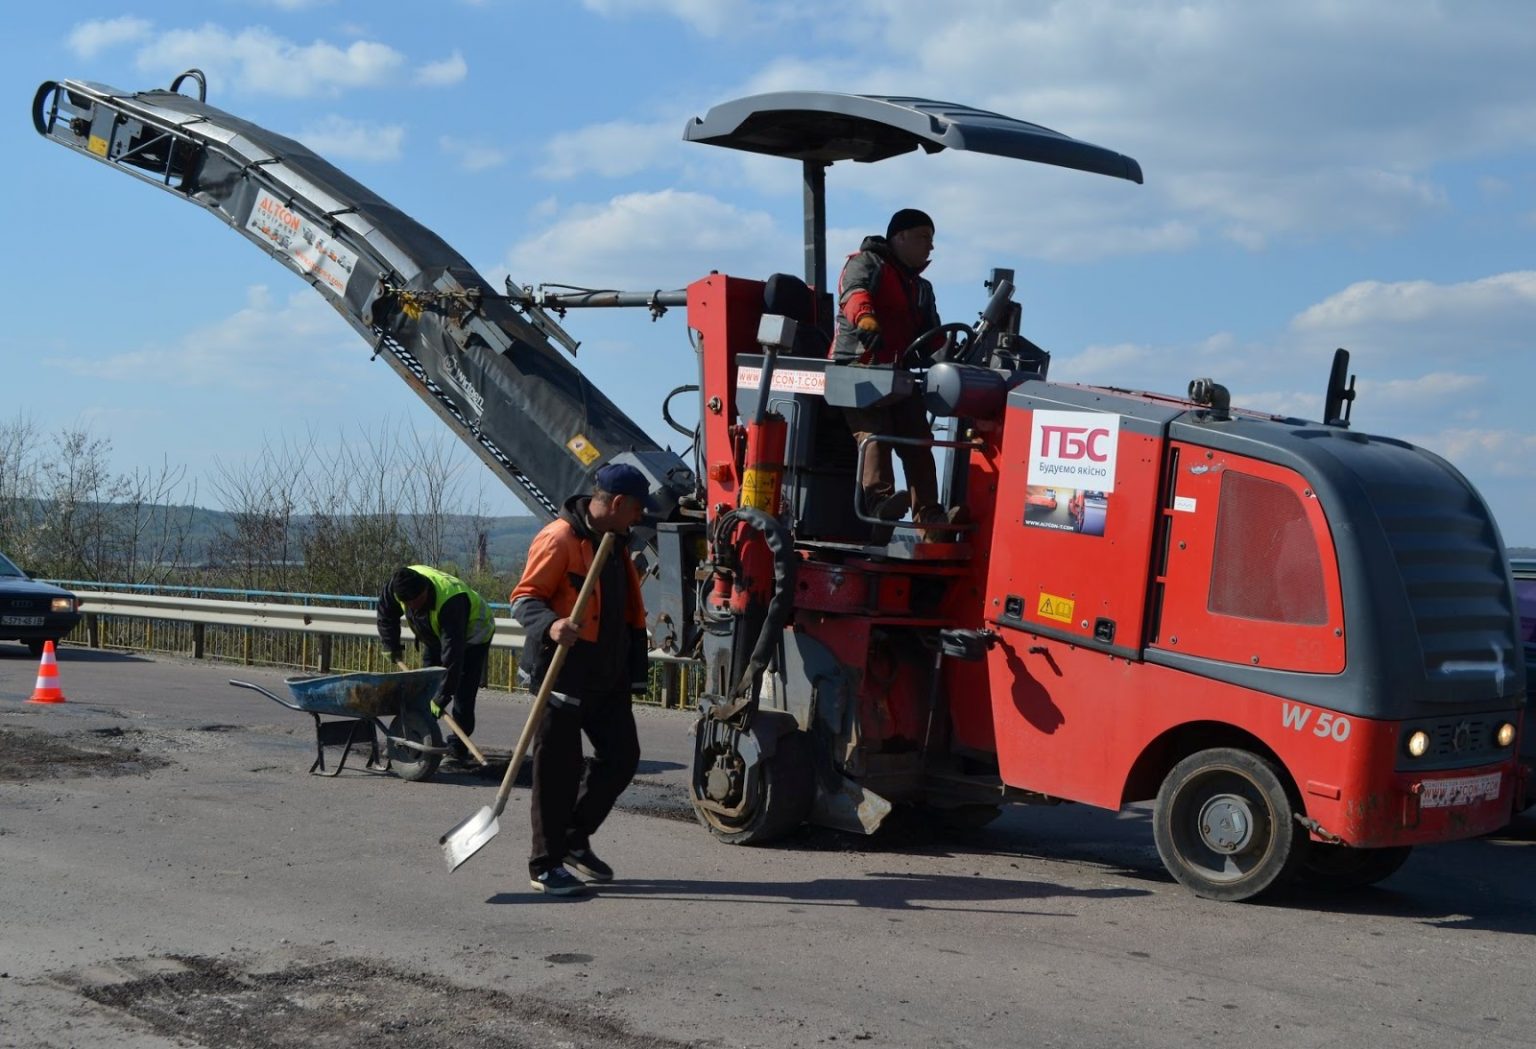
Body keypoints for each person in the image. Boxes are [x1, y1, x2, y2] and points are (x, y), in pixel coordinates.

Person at [509, 461, 653, 896]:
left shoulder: (617, 541)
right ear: (619, 503)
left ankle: (573, 838)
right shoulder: (560, 538)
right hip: (564, 671)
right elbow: (523, 599)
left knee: (622, 757)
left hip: (607, 674)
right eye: (637, 509)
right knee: (557, 771)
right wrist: (552, 625)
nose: (640, 517)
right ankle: (545, 864)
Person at [830, 207, 947, 537]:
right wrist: (866, 319)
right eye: (925, 237)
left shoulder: (921, 288)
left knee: (918, 440)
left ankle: (930, 517)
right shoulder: (866, 263)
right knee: (876, 435)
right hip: (857, 369)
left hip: (897, 374)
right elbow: (854, 293)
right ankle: (879, 504)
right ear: (901, 236)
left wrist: (953, 357)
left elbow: (934, 338)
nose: (930, 246)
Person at [376, 564, 496, 765]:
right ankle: (419, 736)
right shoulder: (397, 587)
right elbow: (386, 614)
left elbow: (452, 656)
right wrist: (390, 644)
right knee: (424, 686)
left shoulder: (451, 602)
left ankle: (458, 749)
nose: (413, 607)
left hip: (474, 635)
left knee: (463, 691)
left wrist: (442, 696)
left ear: (425, 589)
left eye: (417, 602)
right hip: (434, 634)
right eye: (409, 604)